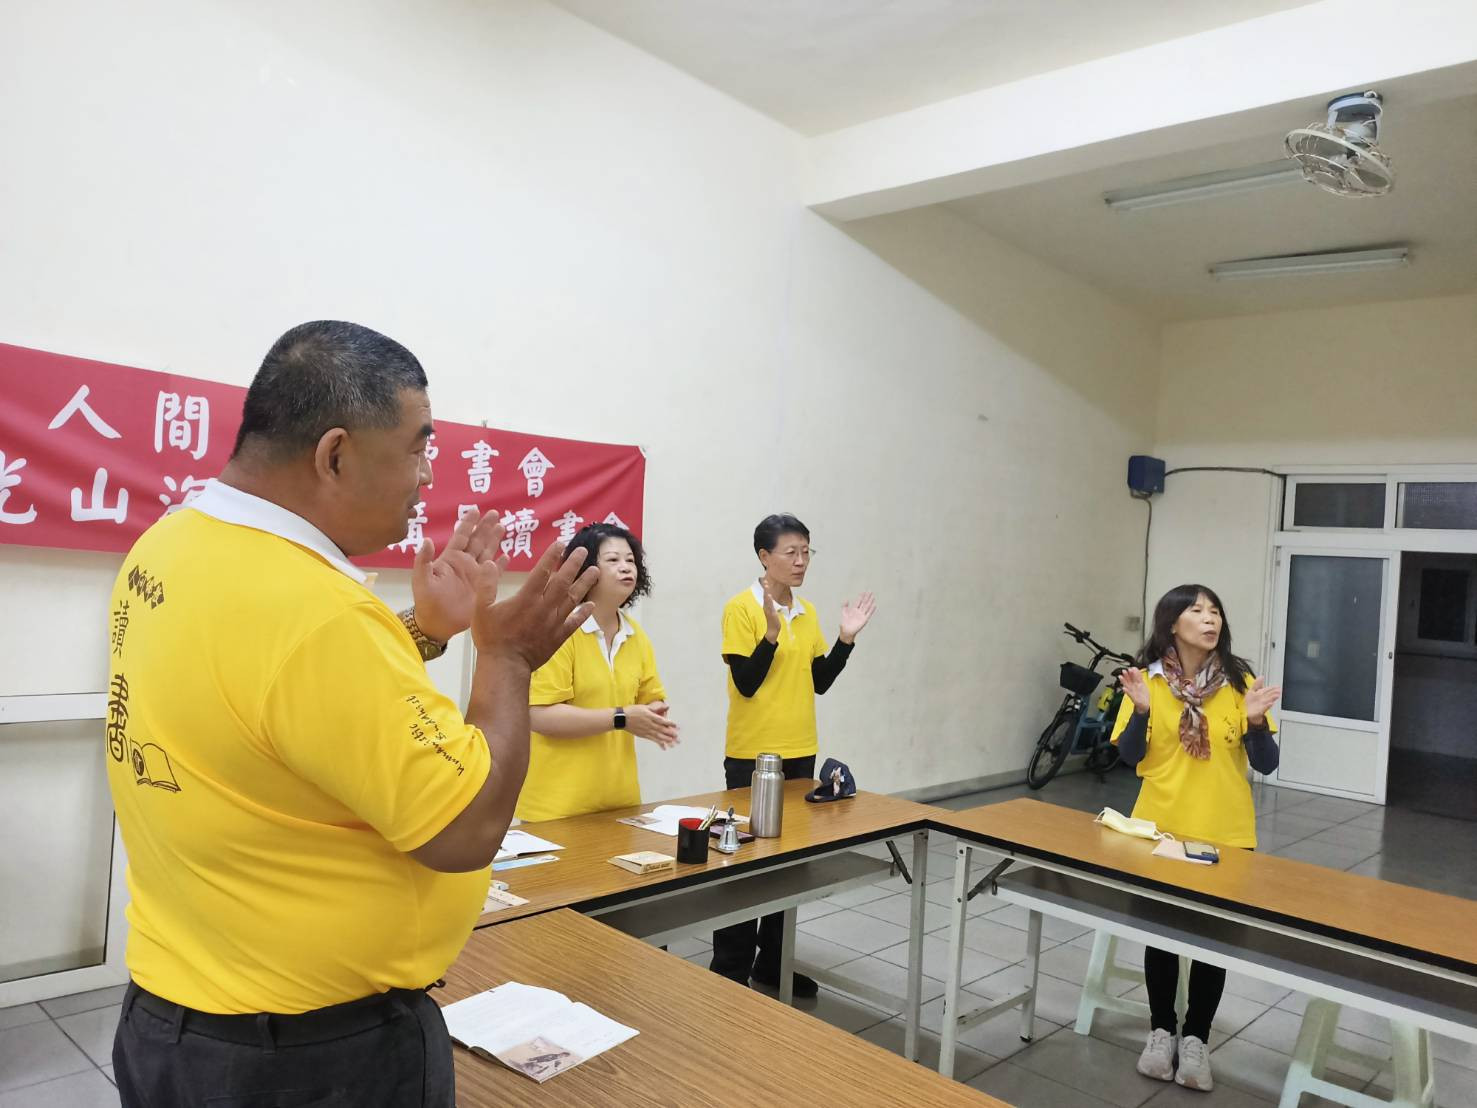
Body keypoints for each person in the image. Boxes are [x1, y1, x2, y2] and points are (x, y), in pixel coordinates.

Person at [106, 320, 597, 1107]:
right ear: (334, 454)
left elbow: (277, 703)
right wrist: (505, 661)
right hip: (307, 1059)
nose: (427, 475)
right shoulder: (317, 610)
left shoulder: (172, 545)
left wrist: (424, 630)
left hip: (174, 1023)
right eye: (417, 446)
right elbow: (465, 829)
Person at [1112, 583, 1281, 1093]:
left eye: (1215, 612)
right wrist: (1143, 711)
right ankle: (1161, 1031)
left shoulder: (1239, 680)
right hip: (1160, 828)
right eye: (1197, 610)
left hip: (1226, 832)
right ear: (1172, 623)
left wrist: (1256, 721)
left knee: (1212, 943)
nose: (1210, 619)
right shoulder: (1146, 680)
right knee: (1162, 937)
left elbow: (1266, 764)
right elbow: (1128, 757)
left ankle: (1197, 1040)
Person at [709, 513, 876, 997]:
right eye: (791, 552)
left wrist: (846, 640)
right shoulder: (741, 608)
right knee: (744, 864)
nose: (801, 561)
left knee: (788, 866)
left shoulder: (807, 612)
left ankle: (773, 965)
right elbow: (746, 682)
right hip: (753, 755)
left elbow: (819, 681)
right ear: (764, 556)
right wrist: (770, 634)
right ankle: (729, 970)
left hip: (801, 752)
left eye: (806, 552)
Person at [517, 522, 678, 822]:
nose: (626, 567)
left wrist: (654, 716)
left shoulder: (636, 636)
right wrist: (622, 717)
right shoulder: (559, 630)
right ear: (586, 571)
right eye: (613, 560)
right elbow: (539, 715)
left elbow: (650, 700)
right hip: (556, 809)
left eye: (631, 560)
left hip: (621, 804)